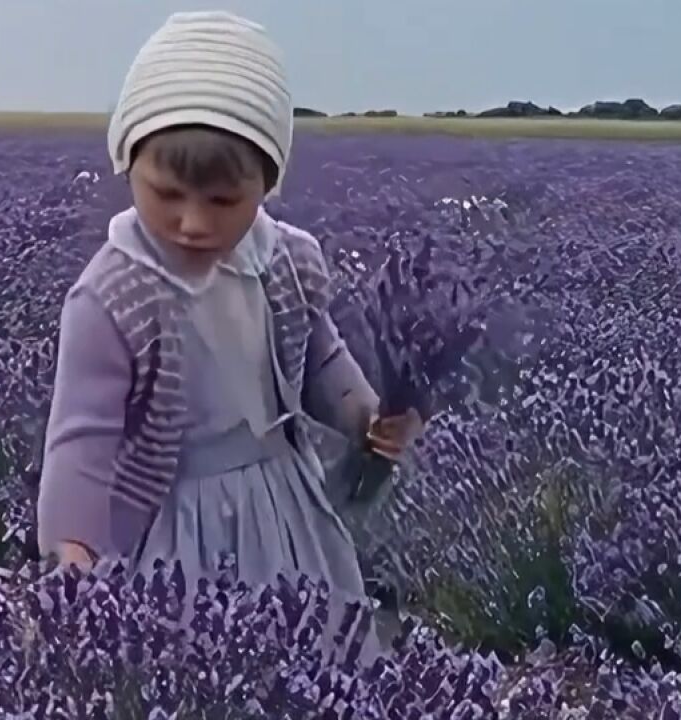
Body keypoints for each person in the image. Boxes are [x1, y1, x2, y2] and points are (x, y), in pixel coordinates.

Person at [34, 10, 424, 652]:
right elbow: (81, 436)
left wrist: (366, 417)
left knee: (317, 652)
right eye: (167, 194)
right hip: (173, 515)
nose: (192, 223)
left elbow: (317, 357)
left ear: (266, 186)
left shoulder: (286, 261)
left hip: (284, 501)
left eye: (222, 203)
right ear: (127, 165)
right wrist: (70, 547)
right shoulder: (113, 293)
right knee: (192, 660)